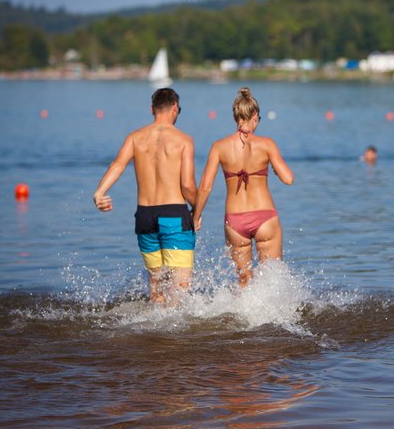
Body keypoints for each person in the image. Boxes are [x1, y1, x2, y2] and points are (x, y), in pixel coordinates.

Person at [93, 88, 197, 304]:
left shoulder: (135, 137)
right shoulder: (184, 140)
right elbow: (187, 186)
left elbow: (118, 165)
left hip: (145, 216)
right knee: (180, 288)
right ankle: (177, 337)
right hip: (174, 215)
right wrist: (198, 209)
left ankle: (154, 335)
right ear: (175, 107)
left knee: (156, 288)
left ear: (152, 109)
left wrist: (99, 192)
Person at [192, 87, 293, 287]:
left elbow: (205, 187)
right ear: (254, 115)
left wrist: (196, 217)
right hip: (265, 218)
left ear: (236, 116)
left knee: (244, 281)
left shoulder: (219, 147)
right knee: (273, 281)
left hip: (235, 221)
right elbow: (288, 179)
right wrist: (273, 168)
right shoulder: (267, 144)